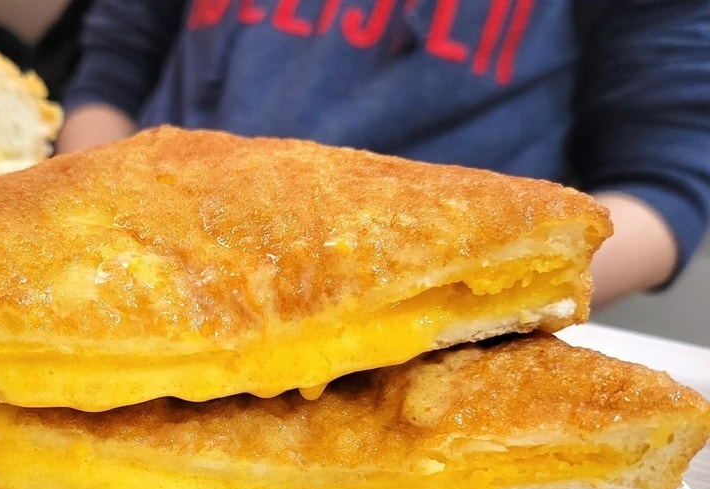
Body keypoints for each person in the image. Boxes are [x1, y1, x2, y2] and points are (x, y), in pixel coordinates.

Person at [55, 0, 710, 308]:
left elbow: (664, 189)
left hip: (414, 335)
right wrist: (102, 239)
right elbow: (109, 77)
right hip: (133, 286)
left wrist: (437, 300)